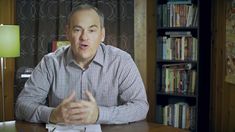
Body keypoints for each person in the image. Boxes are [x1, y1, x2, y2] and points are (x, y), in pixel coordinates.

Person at [16, 3, 149, 125]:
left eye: (91, 30)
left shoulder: (121, 61)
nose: (84, 37)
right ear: (67, 32)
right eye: (77, 30)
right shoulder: (50, 63)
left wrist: (100, 114)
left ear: (102, 34)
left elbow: (140, 106)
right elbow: (22, 105)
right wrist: (52, 115)